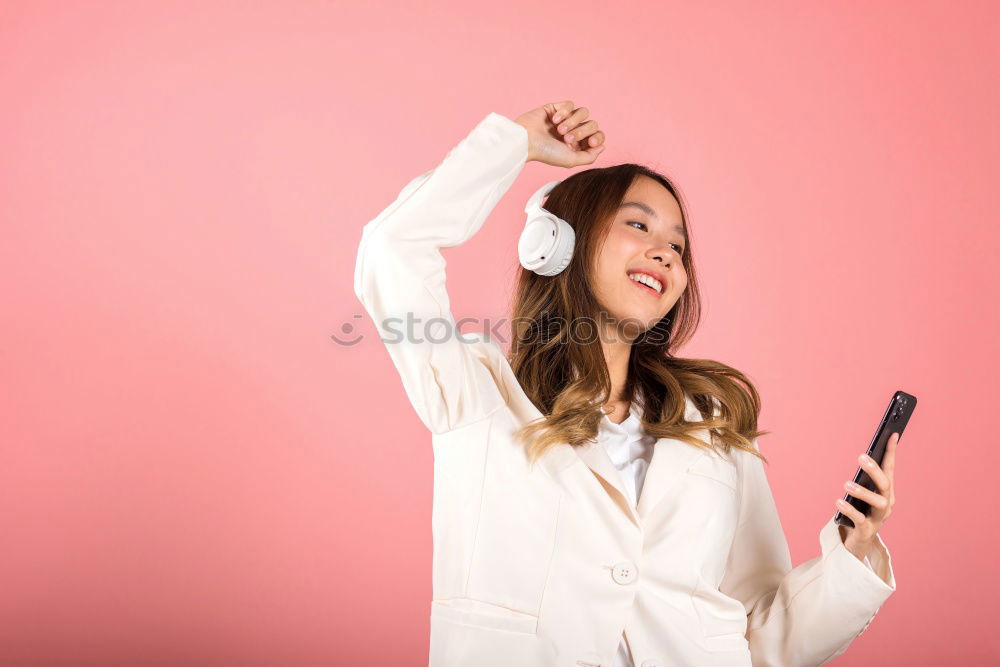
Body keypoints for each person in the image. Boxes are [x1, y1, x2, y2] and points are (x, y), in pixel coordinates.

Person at [352, 100, 898, 667]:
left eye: (679, 246)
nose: (664, 251)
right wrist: (516, 144)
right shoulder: (478, 395)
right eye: (638, 224)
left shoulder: (711, 421)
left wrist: (853, 555)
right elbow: (392, 250)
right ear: (555, 244)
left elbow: (760, 635)